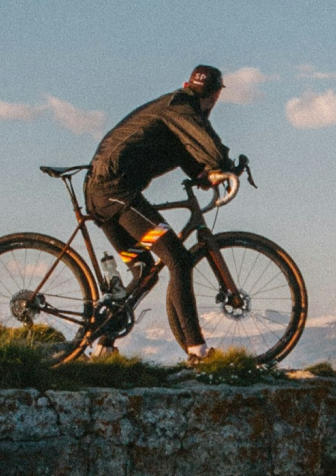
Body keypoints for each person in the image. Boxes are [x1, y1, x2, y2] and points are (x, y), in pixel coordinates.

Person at [85, 65, 234, 361]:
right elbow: (208, 144)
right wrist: (225, 166)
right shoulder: (182, 106)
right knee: (178, 259)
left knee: (143, 271)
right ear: (215, 95)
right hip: (116, 193)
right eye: (213, 98)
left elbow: (183, 151)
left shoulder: (174, 108)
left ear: (188, 84)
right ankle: (197, 349)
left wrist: (202, 174)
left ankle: (103, 345)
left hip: (102, 192)